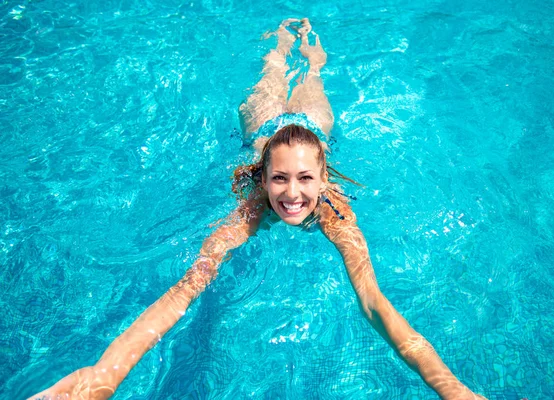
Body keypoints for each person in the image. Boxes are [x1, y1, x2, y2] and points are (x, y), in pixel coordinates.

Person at [31, 19, 485, 400]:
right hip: (265, 126)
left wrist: (452, 389)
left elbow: (372, 301)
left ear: (324, 179)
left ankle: (308, 48)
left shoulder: (335, 214)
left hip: (313, 129)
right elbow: (186, 290)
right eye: (279, 179)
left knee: (312, 78)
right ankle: (282, 41)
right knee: (272, 72)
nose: (291, 194)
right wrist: (106, 373)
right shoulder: (250, 213)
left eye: (306, 179)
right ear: (263, 179)